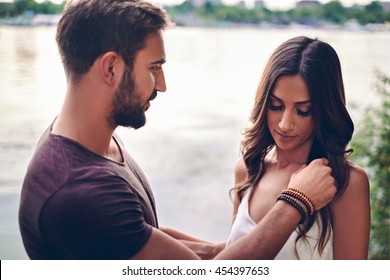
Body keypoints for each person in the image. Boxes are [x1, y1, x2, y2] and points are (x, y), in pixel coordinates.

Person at [18, 0, 336, 260]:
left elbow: (135, 234)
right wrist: (298, 200)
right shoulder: (80, 192)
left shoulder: (87, 141)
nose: (163, 85)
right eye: (154, 68)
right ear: (111, 67)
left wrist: (216, 249)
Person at [225, 36, 370, 259]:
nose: (285, 124)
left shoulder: (346, 184)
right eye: (276, 105)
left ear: (324, 111)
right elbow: (235, 257)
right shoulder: (248, 170)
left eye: (303, 111)